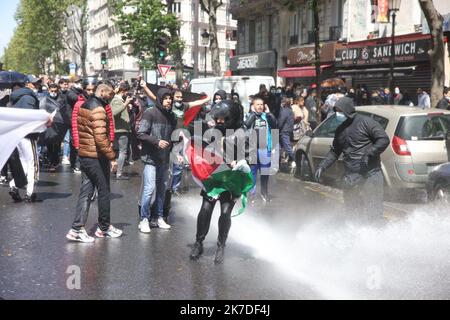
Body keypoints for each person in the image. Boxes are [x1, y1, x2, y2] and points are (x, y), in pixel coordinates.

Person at [189, 99, 250, 264]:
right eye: (217, 118)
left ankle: (221, 245)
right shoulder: (212, 130)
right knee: (206, 208)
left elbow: (247, 156)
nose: (219, 121)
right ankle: (198, 242)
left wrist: (238, 162)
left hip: (231, 179)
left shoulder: (241, 133)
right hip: (213, 177)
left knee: (225, 213)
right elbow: (193, 133)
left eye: (223, 118)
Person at [314, 97, 389, 224]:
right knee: (352, 211)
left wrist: (369, 154)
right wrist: (322, 166)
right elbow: (335, 151)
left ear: (347, 110)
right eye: (336, 111)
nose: (338, 114)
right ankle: (355, 237)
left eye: (339, 111)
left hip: (370, 174)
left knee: (374, 212)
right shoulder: (340, 130)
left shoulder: (366, 122)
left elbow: (383, 139)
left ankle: (377, 239)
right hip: (351, 177)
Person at [66, 83, 122, 243]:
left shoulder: (84, 104)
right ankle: (104, 228)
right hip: (96, 156)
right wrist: (112, 157)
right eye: (110, 93)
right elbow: (100, 138)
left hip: (85, 155)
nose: (112, 96)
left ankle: (77, 228)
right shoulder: (98, 108)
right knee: (104, 191)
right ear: (102, 92)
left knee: (86, 192)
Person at [137, 88, 177, 233]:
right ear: (160, 99)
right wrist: (156, 141)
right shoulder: (150, 112)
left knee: (162, 189)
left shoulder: (172, 116)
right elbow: (141, 133)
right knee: (149, 189)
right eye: (166, 98)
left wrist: (177, 150)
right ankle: (144, 219)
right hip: (150, 158)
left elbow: (173, 137)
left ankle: (159, 217)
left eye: (170, 98)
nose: (169, 100)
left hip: (165, 158)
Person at [8, 76, 42, 202]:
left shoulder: (19, 96)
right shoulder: (29, 97)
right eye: (35, 83)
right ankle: (30, 192)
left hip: (19, 134)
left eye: (38, 83)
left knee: (23, 162)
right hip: (29, 134)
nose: (37, 85)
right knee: (33, 163)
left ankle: (14, 185)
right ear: (28, 84)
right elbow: (30, 117)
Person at [244, 98, 278, 203]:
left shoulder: (266, 116)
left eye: (261, 104)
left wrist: (268, 113)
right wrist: (253, 114)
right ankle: (252, 194)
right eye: (257, 104)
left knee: (264, 173)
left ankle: (264, 192)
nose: (260, 106)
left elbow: (275, 125)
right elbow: (247, 125)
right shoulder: (250, 116)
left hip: (264, 149)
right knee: (252, 173)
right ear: (253, 106)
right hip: (253, 150)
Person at [111, 82, 133, 180]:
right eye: (126, 92)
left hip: (121, 129)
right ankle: (119, 173)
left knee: (119, 151)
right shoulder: (116, 99)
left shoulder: (118, 99)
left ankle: (116, 170)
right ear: (123, 91)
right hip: (120, 129)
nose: (127, 95)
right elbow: (114, 113)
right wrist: (125, 104)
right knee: (122, 151)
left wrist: (127, 107)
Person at [277, 97, 295, 168]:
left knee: (287, 148)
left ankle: (297, 160)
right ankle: (277, 163)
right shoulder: (290, 110)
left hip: (284, 131)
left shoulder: (285, 111)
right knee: (279, 147)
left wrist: (277, 127)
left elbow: (281, 121)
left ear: (284, 103)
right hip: (287, 131)